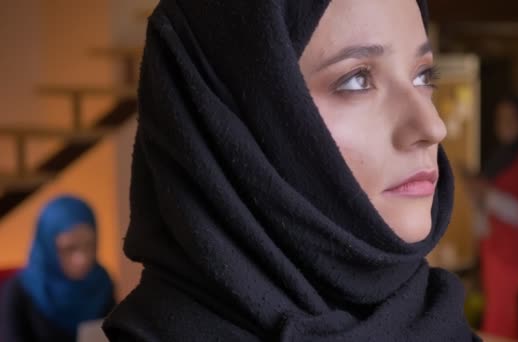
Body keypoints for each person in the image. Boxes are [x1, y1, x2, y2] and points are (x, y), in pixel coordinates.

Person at [103, 0, 479, 340]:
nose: (432, 127)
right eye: (357, 79)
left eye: (424, 76)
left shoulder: (440, 323)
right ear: (232, 122)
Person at [464, 95, 518, 340]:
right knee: (500, 313)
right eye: (500, 118)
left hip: (514, 251)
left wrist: (487, 194)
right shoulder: (497, 159)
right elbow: (485, 206)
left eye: (511, 118)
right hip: (492, 246)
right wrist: (476, 196)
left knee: (501, 315)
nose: (504, 124)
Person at [0, 195, 114, 342]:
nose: (82, 259)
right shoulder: (18, 292)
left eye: (89, 245)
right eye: (69, 249)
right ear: (48, 247)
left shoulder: (101, 282)